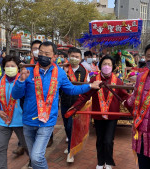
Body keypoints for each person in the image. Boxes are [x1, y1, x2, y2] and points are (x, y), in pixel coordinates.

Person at [11, 41, 102, 169]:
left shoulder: (59, 73)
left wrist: (89, 86)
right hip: (28, 121)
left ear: (54, 57)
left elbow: (70, 89)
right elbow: (15, 95)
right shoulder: (29, 70)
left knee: (37, 157)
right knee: (34, 157)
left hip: (46, 121)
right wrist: (21, 80)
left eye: (47, 54)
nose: (42, 55)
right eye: (40, 53)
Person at [71, 55, 130, 169]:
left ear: (113, 67)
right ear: (100, 66)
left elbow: (125, 97)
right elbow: (84, 96)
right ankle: (100, 161)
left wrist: (132, 108)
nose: (106, 66)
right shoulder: (94, 80)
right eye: (104, 64)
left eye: (109, 64)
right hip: (98, 116)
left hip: (112, 116)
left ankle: (108, 162)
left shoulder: (117, 81)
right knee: (100, 140)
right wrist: (75, 107)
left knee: (108, 141)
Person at [0, 55, 30, 169]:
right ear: (3, 67)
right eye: (7, 66)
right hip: (4, 120)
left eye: (12, 66)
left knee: (28, 146)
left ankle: (34, 163)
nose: (9, 68)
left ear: (17, 67)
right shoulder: (0, 80)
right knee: (0, 148)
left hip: (21, 121)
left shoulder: (23, 80)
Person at [60, 47, 89, 163]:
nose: (74, 59)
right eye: (72, 56)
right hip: (64, 102)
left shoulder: (84, 71)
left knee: (71, 127)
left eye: (77, 57)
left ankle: (70, 152)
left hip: (77, 104)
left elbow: (87, 87)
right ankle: (70, 146)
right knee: (66, 126)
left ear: (80, 58)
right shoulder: (63, 70)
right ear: (68, 56)